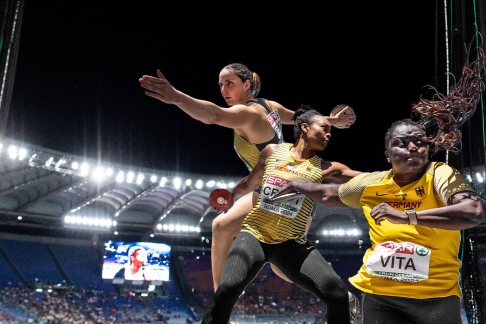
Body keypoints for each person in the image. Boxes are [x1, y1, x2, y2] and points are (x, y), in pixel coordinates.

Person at [269, 35, 486, 323]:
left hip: (436, 299)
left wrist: (407, 217)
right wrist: (296, 185)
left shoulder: (440, 175)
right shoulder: (372, 183)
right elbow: (329, 195)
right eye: (402, 143)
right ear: (387, 154)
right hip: (380, 297)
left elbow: (473, 211)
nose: (412, 147)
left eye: (419, 142)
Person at [138, 63, 356, 291]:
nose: (223, 89)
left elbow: (212, 115)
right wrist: (332, 121)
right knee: (222, 227)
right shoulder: (269, 106)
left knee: (283, 266)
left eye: (230, 83)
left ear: (247, 85)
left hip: (286, 198)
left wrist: (176, 97)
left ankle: (339, 294)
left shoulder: (247, 113)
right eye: (221, 84)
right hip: (273, 192)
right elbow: (300, 119)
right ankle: (219, 304)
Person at [199, 106, 362, 324]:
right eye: (324, 128)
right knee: (225, 294)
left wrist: (400, 176)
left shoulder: (327, 169)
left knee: (339, 296)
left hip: (290, 244)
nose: (329, 133)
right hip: (254, 236)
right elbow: (251, 182)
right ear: (304, 127)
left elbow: (365, 179)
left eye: (329, 130)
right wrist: (231, 193)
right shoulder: (272, 152)